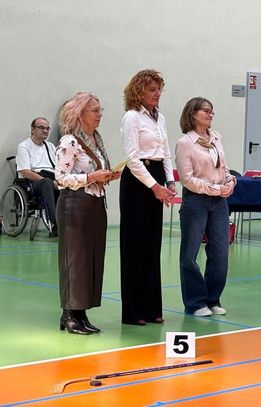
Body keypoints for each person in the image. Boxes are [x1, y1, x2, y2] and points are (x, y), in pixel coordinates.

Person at [55, 92, 120, 335]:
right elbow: (60, 178)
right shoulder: (69, 141)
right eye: (95, 110)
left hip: (94, 203)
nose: (100, 114)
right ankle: (69, 314)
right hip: (74, 206)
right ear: (79, 114)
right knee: (75, 259)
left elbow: (92, 173)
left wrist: (107, 176)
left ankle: (81, 313)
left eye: (100, 109)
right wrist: (92, 177)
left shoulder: (95, 140)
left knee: (91, 259)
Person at [120, 69, 176, 326]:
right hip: (137, 181)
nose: (157, 94)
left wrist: (169, 181)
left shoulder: (159, 117)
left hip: (157, 177)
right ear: (139, 92)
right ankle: (133, 312)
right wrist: (155, 187)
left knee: (153, 245)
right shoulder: (132, 117)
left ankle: (152, 307)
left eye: (159, 89)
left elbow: (166, 153)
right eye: (152, 90)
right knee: (135, 246)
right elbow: (132, 159)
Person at [175, 97, 236, 316]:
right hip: (196, 201)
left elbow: (224, 168)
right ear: (193, 114)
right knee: (190, 253)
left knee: (220, 252)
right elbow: (187, 179)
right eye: (206, 111)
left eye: (212, 111)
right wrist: (215, 189)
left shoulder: (216, 138)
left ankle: (213, 299)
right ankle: (195, 303)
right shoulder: (185, 143)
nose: (210, 114)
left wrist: (230, 182)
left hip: (219, 202)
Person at [16, 117, 59, 237]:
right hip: (32, 181)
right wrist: (51, 182)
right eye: (41, 128)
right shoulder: (24, 146)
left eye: (47, 128)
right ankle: (55, 223)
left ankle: (71, 223)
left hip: (51, 176)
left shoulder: (50, 146)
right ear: (32, 129)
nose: (45, 131)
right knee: (47, 183)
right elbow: (26, 172)